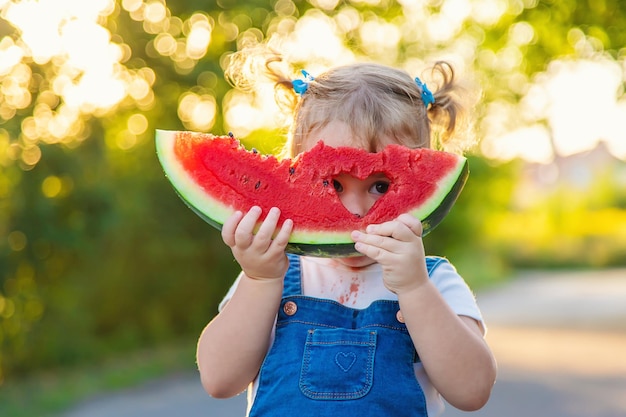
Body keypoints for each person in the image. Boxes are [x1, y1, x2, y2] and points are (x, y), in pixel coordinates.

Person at [196, 48, 497, 417]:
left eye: (381, 186)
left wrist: (415, 288)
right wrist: (259, 280)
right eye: (333, 184)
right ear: (295, 172)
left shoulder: (434, 280)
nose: (355, 211)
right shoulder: (272, 274)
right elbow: (219, 380)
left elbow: (472, 391)